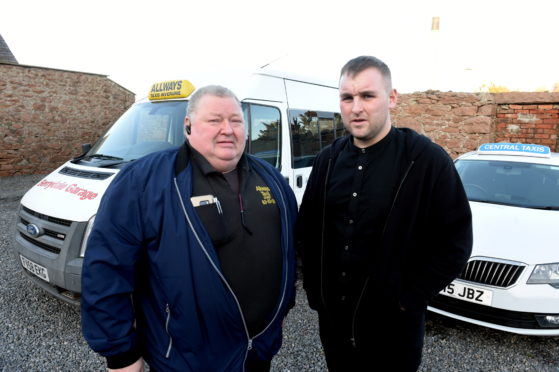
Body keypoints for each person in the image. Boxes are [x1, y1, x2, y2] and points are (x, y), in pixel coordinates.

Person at [81, 85, 298, 372]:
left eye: (236, 120)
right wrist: (121, 354)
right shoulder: (143, 182)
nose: (227, 129)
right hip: (184, 360)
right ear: (188, 126)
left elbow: (290, 251)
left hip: (257, 353)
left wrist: (284, 308)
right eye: (214, 120)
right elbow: (106, 271)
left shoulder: (271, 178)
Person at [296, 56, 473, 371]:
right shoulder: (327, 160)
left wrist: (407, 299)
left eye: (367, 95)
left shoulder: (424, 160)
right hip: (334, 327)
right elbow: (307, 231)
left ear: (391, 98)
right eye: (347, 98)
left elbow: (455, 241)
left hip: (395, 333)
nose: (356, 107)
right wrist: (316, 292)